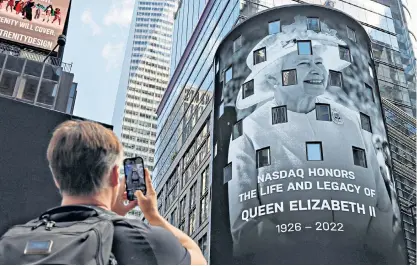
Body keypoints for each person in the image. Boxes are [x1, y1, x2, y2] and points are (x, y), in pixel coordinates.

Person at [226, 18, 402, 264]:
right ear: (273, 78)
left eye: (319, 62)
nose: (317, 69)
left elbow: (382, 205)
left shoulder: (353, 121)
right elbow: (244, 224)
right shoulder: (249, 130)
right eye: (303, 63)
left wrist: (367, 253)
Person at [1, 120, 207, 265]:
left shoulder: (10, 242)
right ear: (116, 175)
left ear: (56, 179)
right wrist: (153, 216)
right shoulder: (142, 240)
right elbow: (198, 258)